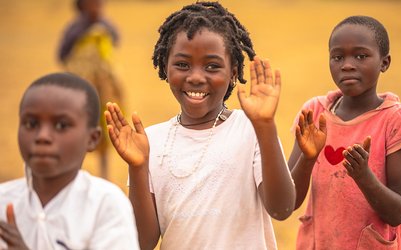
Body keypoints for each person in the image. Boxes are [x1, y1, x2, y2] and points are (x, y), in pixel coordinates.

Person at [105, 2, 296, 249]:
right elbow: (143, 242)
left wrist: (265, 126)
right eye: (183, 64)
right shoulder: (150, 142)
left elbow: (282, 208)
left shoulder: (250, 129)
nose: (195, 77)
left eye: (212, 66)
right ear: (164, 66)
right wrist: (138, 167)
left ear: (234, 72)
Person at [288, 15, 401, 249]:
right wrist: (308, 158)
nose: (347, 64)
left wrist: (364, 176)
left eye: (361, 56)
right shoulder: (314, 112)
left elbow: (397, 213)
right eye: (337, 57)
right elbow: (289, 201)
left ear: (384, 62)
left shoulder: (397, 121)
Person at [0, 73, 139, 250]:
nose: (42, 136)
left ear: (93, 139)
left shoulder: (105, 205)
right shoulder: (4, 200)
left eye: (61, 125)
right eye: (31, 124)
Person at [57, 0, 123, 179]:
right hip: (81, 90)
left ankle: (105, 176)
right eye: (91, 4)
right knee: (78, 130)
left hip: (104, 90)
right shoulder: (75, 30)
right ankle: (73, 173)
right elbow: (62, 54)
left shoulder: (105, 26)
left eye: (99, 4)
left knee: (105, 129)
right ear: (81, 6)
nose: (96, 8)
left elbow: (116, 39)